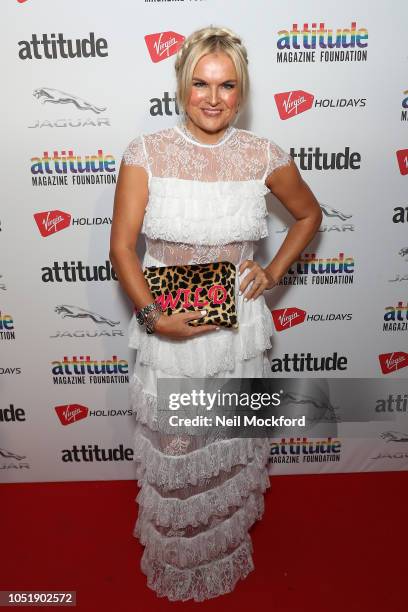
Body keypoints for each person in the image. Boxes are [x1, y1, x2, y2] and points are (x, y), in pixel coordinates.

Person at [109, 25, 322, 602]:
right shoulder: (145, 152)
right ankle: (180, 554)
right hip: (168, 318)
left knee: (228, 440)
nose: (212, 97)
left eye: (227, 85)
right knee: (176, 442)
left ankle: (224, 543)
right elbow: (121, 248)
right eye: (200, 83)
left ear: (242, 91)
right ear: (181, 84)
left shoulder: (263, 155)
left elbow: (308, 216)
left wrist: (272, 274)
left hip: (236, 320)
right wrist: (154, 317)